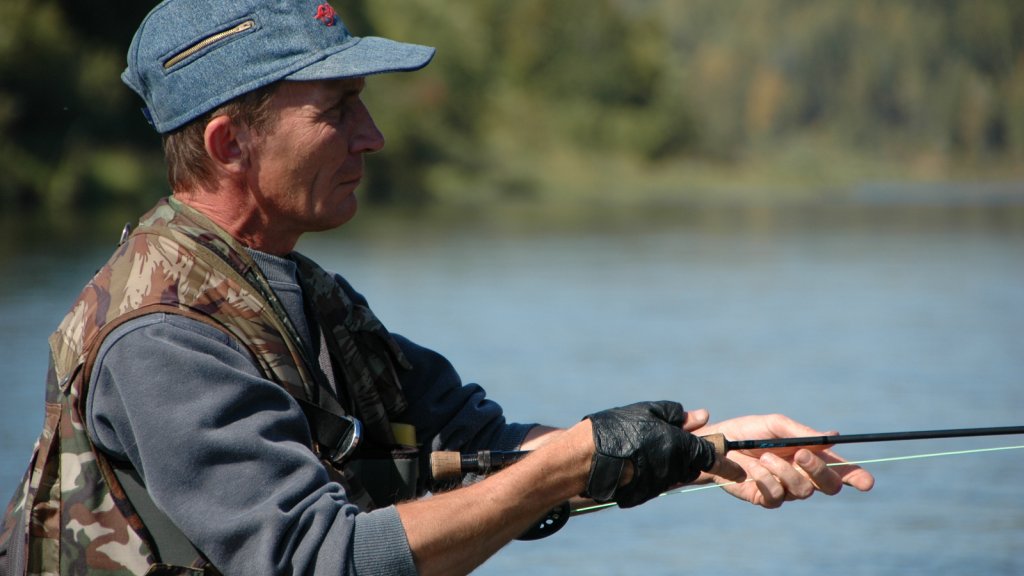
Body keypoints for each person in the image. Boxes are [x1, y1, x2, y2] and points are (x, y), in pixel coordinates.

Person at [0, 1, 874, 574]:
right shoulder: (162, 336)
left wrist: (706, 451)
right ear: (229, 143)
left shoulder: (307, 296)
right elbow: (317, 561)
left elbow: (488, 446)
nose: (373, 136)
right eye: (338, 108)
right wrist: (573, 461)